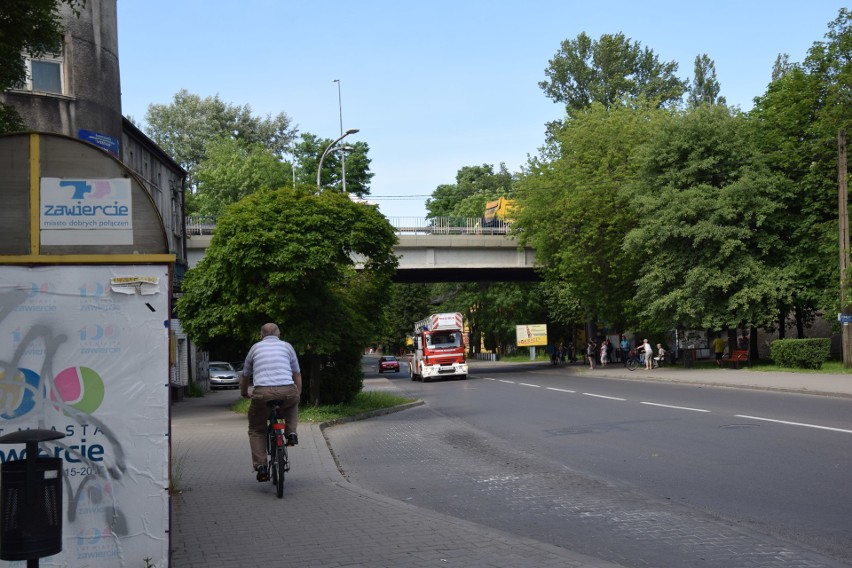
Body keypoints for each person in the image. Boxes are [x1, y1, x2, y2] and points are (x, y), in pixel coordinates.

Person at [241, 323, 302, 482]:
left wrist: (243, 392)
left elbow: (245, 375)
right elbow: (297, 374)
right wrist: (297, 394)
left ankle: (261, 466)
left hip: (262, 394)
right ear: (278, 334)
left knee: (256, 429)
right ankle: (291, 433)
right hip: (287, 390)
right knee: (293, 403)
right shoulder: (287, 347)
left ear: (261, 335)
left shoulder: (255, 348)